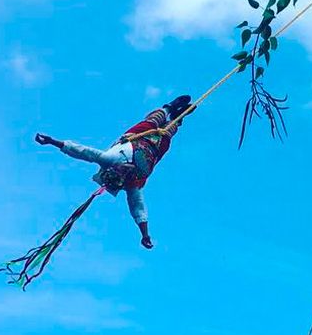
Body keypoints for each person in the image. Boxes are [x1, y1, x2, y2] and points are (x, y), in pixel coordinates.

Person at [35, 95, 194, 248]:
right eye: (122, 175)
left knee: (153, 121)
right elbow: (137, 208)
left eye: (119, 172)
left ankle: (169, 107)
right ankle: (177, 118)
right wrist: (145, 235)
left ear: (113, 170)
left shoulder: (110, 159)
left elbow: (83, 152)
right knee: (168, 133)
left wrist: (53, 142)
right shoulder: (133, 184)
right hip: (155, 149)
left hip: (137, 136)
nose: (123, 172)